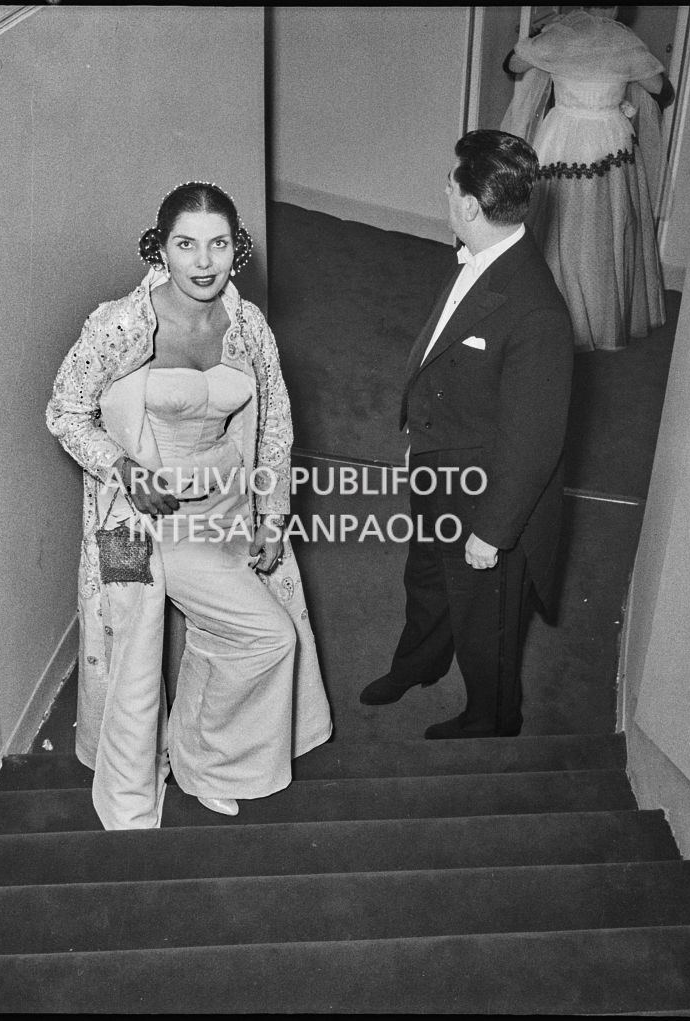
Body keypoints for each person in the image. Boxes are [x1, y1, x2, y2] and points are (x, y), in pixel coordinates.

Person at [46, 182, 332, 827]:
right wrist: (124, 469)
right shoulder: (118, 325)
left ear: (238, 249)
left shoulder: (248, 325)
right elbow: (64, 412)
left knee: (254, 635)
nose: (204, 262)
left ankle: (206, 760)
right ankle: (141, 782)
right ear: (161, 249)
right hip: (135, 522)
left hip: (221, 511)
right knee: (148, 653)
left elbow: (275, 430)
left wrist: (272, 517)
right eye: (186, 244)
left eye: (219, 244)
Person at [359, 130, 573, 739]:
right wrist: (420, 438)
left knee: (487, 617)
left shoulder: (537, 309)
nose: (444, 192)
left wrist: (492, 530)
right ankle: (419, 666)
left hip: (489, 497)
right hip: (440, 464)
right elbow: (443, 361)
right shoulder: (478, 261)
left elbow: (535, 444)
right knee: (425, 576)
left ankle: (493, 715)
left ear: (472, 204)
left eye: (450, 183)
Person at [501, 6, 667, 351]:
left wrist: (539, 35)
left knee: (554, 224)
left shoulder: (558, 36)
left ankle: (542, 312)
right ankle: (596, 316)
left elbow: (512, 65)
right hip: (609, 138)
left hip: (562, 135)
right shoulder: (625, 40)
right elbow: (659, 88)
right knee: (604, 227)